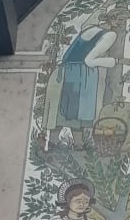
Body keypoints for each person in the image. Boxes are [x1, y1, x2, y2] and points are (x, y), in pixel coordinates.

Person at [42, 12, 119, 149]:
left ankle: (57, 142)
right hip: (81, 74)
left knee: (63, 108)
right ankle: (75, 144)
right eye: (120, 20)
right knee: (77, 110)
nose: (121, 24)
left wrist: (107, 3)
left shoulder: (89, 28)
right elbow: (89, 60)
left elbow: (91, 19)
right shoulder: (110, 35)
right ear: (113, 20)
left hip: (65, 70)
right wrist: (116, 61)